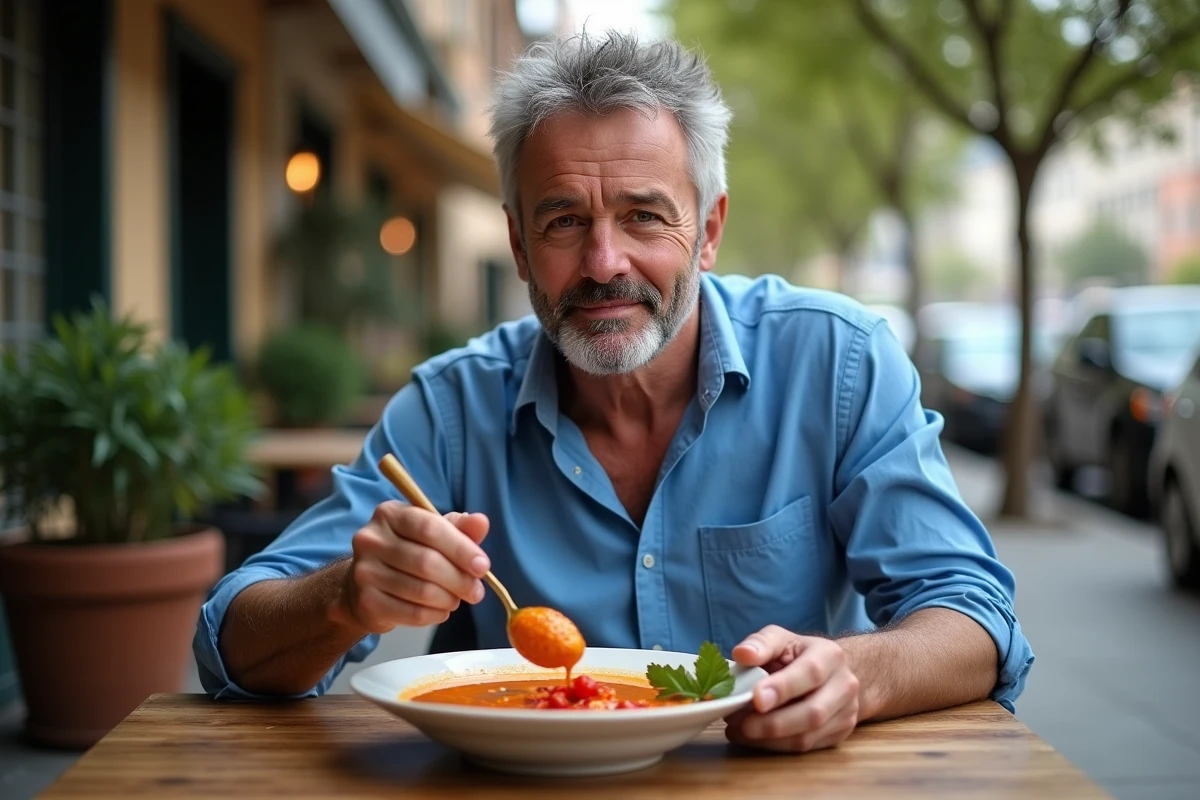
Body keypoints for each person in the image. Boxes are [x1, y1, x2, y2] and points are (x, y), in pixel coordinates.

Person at [195, 30, 1033, 754]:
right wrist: (342, 599)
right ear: (520, 247)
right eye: (563, 220)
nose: (604, 264)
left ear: (707, 232)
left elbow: (974, 619)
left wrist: (855, 673)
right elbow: (229, 641)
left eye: (644, 216)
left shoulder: (838, 361)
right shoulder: (451, 409)